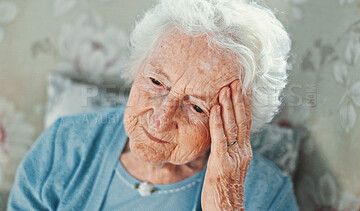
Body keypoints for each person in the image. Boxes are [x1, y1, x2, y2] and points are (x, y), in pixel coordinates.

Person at [8, 0, 298, 210]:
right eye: (157, 82)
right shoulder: (65, 144)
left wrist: (225, 202)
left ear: (238, 122)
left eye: (197, 107)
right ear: (137, 68)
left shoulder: (268, 196)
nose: (160, 119)